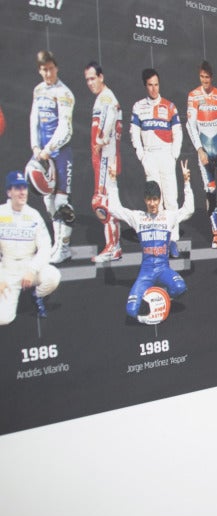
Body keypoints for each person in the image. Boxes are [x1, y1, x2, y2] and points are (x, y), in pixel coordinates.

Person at [106, 161, 193, 321]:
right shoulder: (138, 217)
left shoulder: (168, 216)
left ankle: (161, 297)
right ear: (144, 200)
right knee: (131, 310)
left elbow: (189, 210)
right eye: (149, 200)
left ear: (160, 199)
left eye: (155, 199)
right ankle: (150, 306)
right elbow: (114, 209)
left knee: (180, 287)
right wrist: (112, 181)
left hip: (163, 269)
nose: (152, 204)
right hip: (145, 272)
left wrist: (187, 182)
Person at [130, 68, 183, 254]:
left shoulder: (170, 106)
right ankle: (160, 239)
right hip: (150, 155)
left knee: (171, 198)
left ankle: (173, 240)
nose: (154, 89)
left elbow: (178, 132)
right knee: (155, 200)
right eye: (150, 85)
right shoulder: (138, 107)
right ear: (145, 86)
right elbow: (134, 133)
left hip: (166, 154)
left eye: (156, 85)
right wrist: (142, 155)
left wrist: (174, 154)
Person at [30, 50, 75, 263]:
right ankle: (57, 244)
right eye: (44, 70)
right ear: (40, 71)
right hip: (43, 155)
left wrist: (48, 148)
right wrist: (35, 146)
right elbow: (34, 120)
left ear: (56, 68)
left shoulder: (64, 93)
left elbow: (66, 128)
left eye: (50, 69)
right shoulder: (38, 90)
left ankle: (64, 248)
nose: (48, 73)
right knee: (48, 202)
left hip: (60, 153)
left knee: (61, 203)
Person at [0, 171, 61, 324]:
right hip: (7, 269)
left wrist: (32, 269)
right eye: (17, 188)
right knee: (3, 319)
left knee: (53, 277)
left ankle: (37, 295)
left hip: (29, 266)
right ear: (9, 192)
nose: (22, 192)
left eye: (24, 188)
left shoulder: (34, 215)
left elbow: (45, 246)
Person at [186, 60, 217, 249]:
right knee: (210, 193)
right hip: (204, 152)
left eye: (207, 77)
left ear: (211, 77)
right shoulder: (193, 96)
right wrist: (199, 150)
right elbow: (191, 126)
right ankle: (216, 235)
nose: (204, 80)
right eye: (202, 77)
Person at [84, 61, 122, 262]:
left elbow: (110, 115)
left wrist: (101, 139)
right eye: (87, 80)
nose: (90, 83)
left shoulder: (106, 97)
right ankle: (115, 247)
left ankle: (112, 247)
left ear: (101, 77)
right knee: (111, 202)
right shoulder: (104, 97)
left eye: (93, 78)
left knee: (101, 201)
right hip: (106, 158)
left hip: (105, 158)